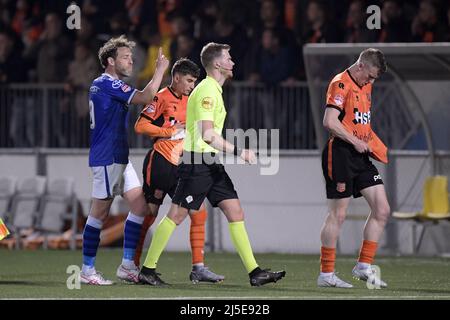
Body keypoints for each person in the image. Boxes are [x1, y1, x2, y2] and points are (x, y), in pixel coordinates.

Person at [137, 42, 286, 287]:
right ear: (217, 64)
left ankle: (255, 272)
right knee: (176, 215)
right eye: (228, 58)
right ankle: (147, 269)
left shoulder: (212, 89)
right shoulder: (207, 90)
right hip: (197, 162)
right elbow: (208, 135)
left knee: (235, 211)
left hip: (209, 162)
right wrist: (240, 151)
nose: (233, 62)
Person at [80, 35, 169, 285]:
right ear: (110, 61)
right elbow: (146, 96)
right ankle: (87, 270)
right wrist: (160, 70)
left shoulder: (111, 85)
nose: (131, 61)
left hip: (120, 156)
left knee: (139, 207)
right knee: (100, 212)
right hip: (106, 156)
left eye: (131, 57)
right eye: (125, 57)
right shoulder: (105, 83)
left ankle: (127, 265)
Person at [133, 58, 224, 283]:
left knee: (198, 212)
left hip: (183, 165)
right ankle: (133, 265)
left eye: (195, 81)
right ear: (176, 78)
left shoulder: (194, 99)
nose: (192, 86)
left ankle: (198, 268)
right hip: (161, 162)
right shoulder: (161, 97)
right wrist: (169, 130)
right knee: (151, 212)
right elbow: (140, 125)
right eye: (189, 80)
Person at [318, 48, 390, 288]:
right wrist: (356, 141)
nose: (370, 81)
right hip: (340, 154)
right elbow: (329, 122)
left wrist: (370, 142)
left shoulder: (365, 84)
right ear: (360, 66)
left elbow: (360, 120)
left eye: (373, 79)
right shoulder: (340, 84)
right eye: (369, 76)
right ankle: (326, 274)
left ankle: (363, 266)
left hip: (361, 155)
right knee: (338, 214)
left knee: (382, 209)